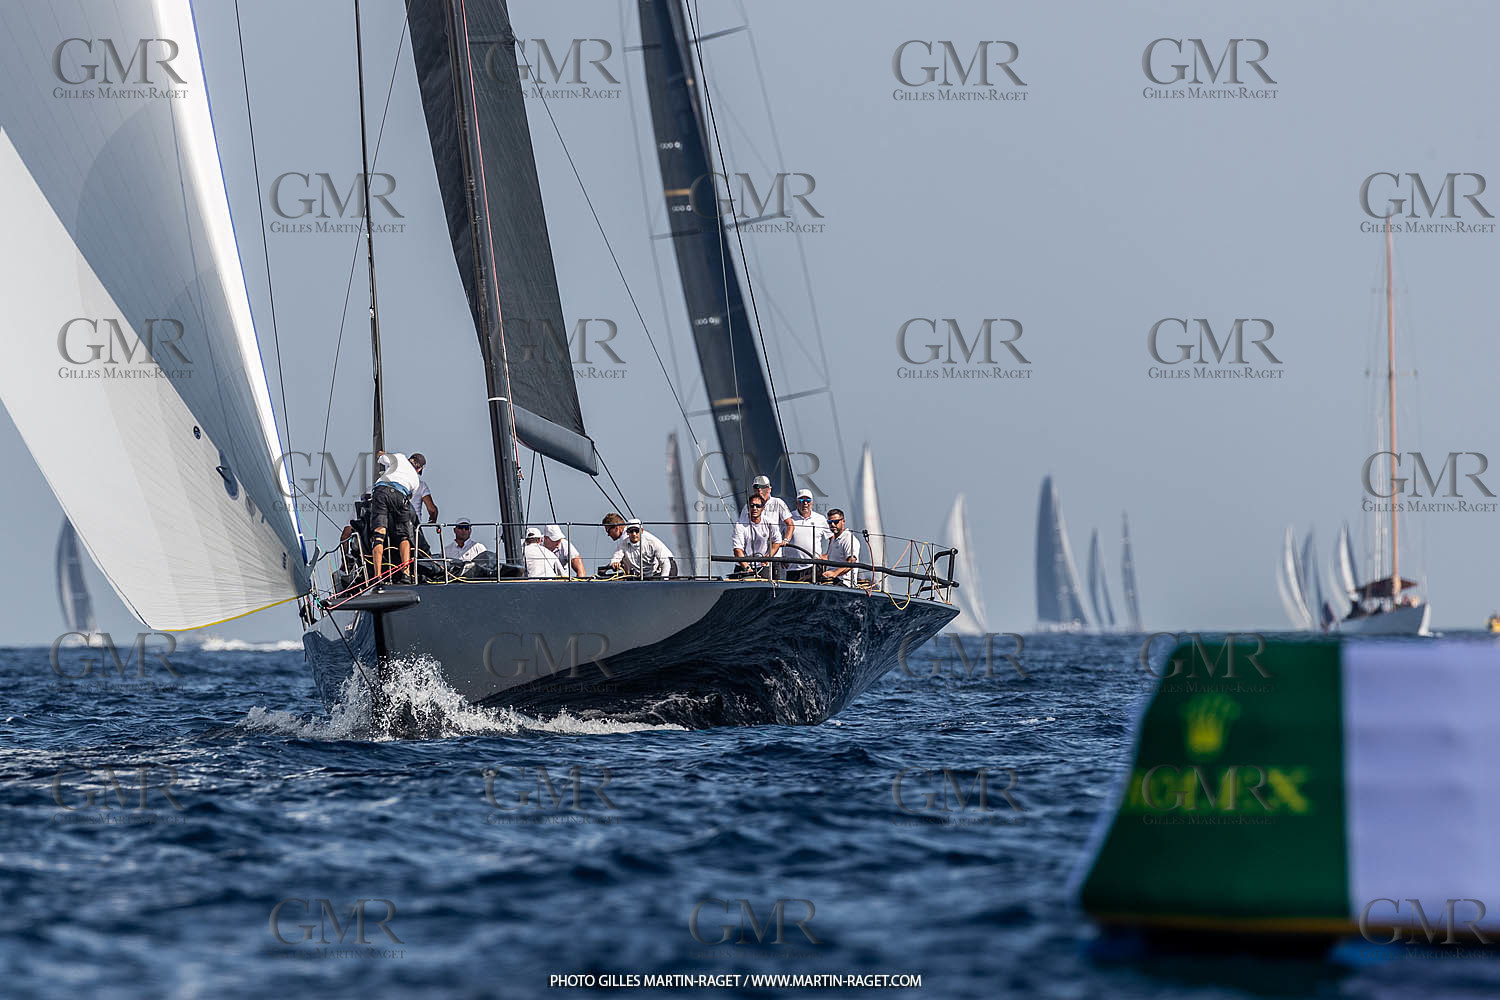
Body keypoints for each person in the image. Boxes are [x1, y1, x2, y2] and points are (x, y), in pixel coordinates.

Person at [371, 451, 419, 584]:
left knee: (379, 534)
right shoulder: (416, 479)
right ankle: (406, 575)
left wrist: (382, 454)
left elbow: (380, 457)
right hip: (402, 495)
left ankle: (377, 577)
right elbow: (409, 499)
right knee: (404, 536)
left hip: (381, 490)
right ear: (419, 469)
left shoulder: (400, 457)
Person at [782, 489, 830, 583]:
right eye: (801, 500)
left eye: (808, 500)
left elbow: (832, 537)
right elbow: (777, 537)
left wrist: (827, 555)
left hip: (813, 566)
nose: (805, 503)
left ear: (812, 502)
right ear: (796, 502)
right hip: (792, 567)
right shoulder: (789, 518)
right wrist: (781, 556)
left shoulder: (820, 519)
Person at [731, 494, 781, 576]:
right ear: (748, 507)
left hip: (762, 567)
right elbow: (737, 550)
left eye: (758, 506)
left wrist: (768, 556)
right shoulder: (739, 525)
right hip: (743, 567)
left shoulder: (770, 523)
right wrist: (747, 568)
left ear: (763, 508)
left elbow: (777, 541)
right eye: (752, 505)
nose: (754, 508)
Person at [607, 516, 675, 578]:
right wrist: (614, 562)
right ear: (627, 532)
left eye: (636, 531)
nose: (634, 534)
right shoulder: (624, 543)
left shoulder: (651, 542)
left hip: (665, 566)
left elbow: (665, 562)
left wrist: (663, 581)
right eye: (631, 531)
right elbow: (617, 555)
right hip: (645, 575)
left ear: (641, 531)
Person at [737, 475, 794, 543]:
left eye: (763, 487)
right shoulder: (747, 506)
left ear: (769, 489)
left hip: (774, 547)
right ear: (753, 488)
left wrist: (786, 540)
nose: (759, 489)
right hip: (753, 548)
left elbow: (790, 524)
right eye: (756, 487)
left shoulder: (778, 502)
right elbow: (741, 526)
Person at [821, 507, 860, 586]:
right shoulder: (833, 539)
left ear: (843, 521)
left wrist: (835, 573)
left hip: (844, 583)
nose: (832, 524)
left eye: (836, 522)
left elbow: (852, 562)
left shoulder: (848, 539)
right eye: (829, 522)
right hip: (831, 581)